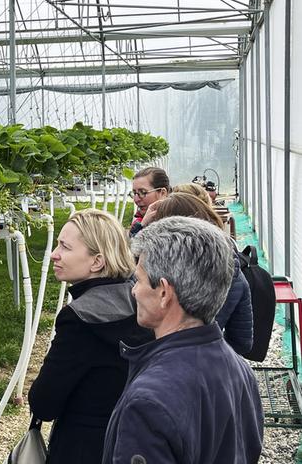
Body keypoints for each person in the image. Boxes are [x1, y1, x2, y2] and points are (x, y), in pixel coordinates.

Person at [102, 216, 263, 464]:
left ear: (164, 293)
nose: (134, 290)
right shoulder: (239, 369)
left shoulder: (149, 401)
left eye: (140, 280)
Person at [28, 209, 153, 463]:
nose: (54, 254)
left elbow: (44, 402)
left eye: (64, 247)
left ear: (97, 261)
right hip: (133, 443)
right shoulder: (141, 304)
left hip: (82, 448)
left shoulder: (78, 320)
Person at [143, 192, 253, 355]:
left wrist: (139, 229)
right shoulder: (234, 270)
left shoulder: (161, 277)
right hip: (211, 363)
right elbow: (242, 343)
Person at [128, 167, 169, 237]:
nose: (136, 199)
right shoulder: (138, 222)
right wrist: (141, 227)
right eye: (134, 193)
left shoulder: (179, 224)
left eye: (143, 192)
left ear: (162, 193)